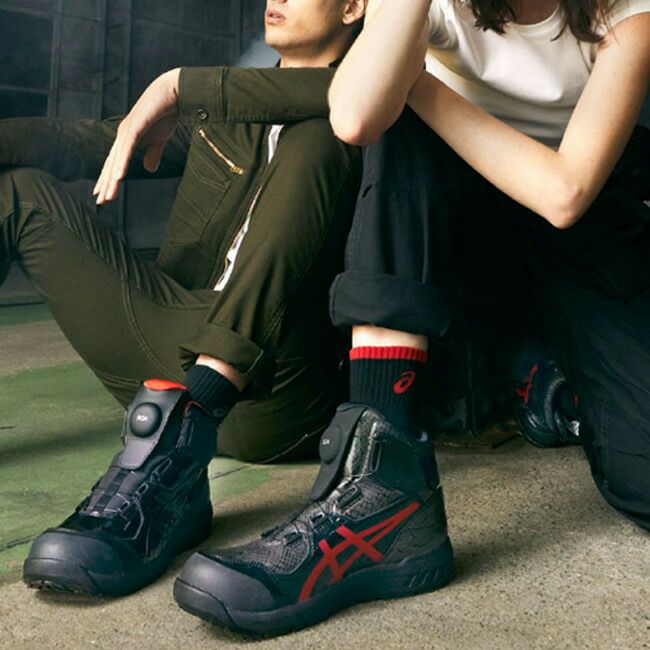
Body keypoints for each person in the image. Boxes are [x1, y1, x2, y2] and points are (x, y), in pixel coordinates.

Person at [170, 0, 650, 637]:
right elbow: (355, 115)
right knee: (392, 114)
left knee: (641, 476)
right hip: (453, 240)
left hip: (584, 238)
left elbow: (565, 195)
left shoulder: (628, 12)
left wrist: (416, 82)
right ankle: (381, 486)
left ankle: (552, 388)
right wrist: (404, 71)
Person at [0, 0, 366, 596]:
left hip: (276, 389)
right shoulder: (223, 113)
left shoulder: (375, 106)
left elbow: (352, 95)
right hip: (170, 347)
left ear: (353, 6)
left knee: (324, 134)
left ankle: (179, 444)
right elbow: (88, 139)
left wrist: (182, 87)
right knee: (14, 190)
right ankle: (176, 439)